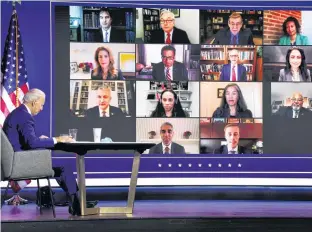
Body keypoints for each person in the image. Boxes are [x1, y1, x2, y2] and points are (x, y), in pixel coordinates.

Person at [2, 88, 97, 215]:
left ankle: (77, 202)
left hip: (16, 161)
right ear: (34, 102)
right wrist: (57, 139)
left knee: (59, 169)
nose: (41, 108)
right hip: (20, 163)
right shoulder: (25, 117)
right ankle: (78, 203)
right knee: (64, 167)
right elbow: (32, 144)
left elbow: (25, 141)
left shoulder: (18, 113)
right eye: (41, 105)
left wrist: (39, 139)